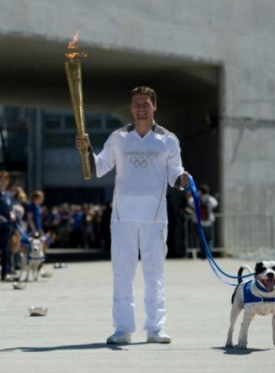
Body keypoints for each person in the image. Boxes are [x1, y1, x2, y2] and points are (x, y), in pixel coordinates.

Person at [75, 86, 189, 345]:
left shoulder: (168, 139)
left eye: (145, 103)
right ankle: (123, 329)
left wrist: (183, 179)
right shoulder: (119, 138)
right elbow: (99, 167)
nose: (141, 107)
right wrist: (85, 150)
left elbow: (175, 174)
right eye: (136, 103)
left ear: (154, 106)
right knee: (122, 274)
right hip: (123, 217)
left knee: (154, 274)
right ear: (130, 107)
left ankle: (155, 328)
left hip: (155, 218)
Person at [0, 171, 15, 280]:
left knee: (6, 249)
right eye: (2, 180)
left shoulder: (8, 195)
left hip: (7, 225)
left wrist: (12, 213)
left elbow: (10, 208)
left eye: (6, 181)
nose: (4, 183)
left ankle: (5, 273)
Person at [187, 184, 218, 259]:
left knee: (202, 239)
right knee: (210, 239)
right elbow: (215, 204)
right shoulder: (210, 199)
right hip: (209, 221)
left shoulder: (197, 198)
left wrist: (196, 194)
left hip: (199, 222)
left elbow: (190, 203)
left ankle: (203, 254)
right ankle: (209, 254)